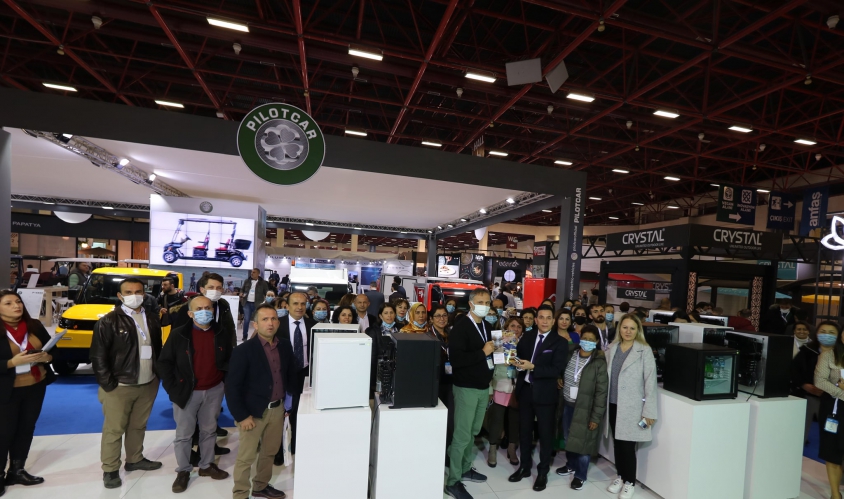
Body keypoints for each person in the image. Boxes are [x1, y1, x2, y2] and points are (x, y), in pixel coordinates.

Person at [91, 278, 163, 489]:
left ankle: (135, 459)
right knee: (114, 430)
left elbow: (156, 348)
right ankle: (110, 469)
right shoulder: (108, 322)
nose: (134, 296)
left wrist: (157, 376)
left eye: (138, 291)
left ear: (144, 293)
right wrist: (108, 384)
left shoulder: (152, 318)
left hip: (148, 382)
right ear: (120, 296)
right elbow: (98, 356)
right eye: (129, 292)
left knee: (138, 425)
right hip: (120, 386)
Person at [157, 296, 231, 492]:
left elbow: (228, 359)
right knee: (184, 434)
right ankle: (183, 470)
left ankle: (206, 465)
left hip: (214, 390)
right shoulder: (179, 334)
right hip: (187, 391)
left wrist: (224, 383)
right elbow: (164, 363)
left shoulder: (221, 332)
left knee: (209, 430)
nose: (204, 311)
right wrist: (173, 389)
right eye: (199, 309)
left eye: (208, 307)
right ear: (190, 313)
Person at [227, 304, 296, 499]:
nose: (270, 323)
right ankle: (240, 493)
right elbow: (232, 387)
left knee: (269, 452)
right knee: (246, 456)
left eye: (273, 319)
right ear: (255, 324)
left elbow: (288, 375)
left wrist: (288, 404)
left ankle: (260, 486)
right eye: (265, 319)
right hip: (253, 412)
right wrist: (242, 416)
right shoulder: (244, 350)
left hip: (278, 409)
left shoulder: (284, 345)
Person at [508, 304, 569, 491]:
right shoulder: (527, 336)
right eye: (541, 317)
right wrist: (513, 359)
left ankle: (542, 472)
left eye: (548, 318)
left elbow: (556, 370)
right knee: (525, 432)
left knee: (545, 434)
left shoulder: (560, 342)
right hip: (525, 391)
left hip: (545, 394)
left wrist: (532, 367)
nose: (544, 321)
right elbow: (518, 358)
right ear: (535, 320)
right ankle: (525, 467)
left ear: (553, 320)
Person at [0, 291, 56, 494]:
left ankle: (17, 470)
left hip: (35, 385)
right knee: (4, 432)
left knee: (26, 429)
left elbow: (54, 351)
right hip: (6, 390)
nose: (16, 306)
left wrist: (47, 357)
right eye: (8, 303)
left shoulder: (35, 326)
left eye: (18, 301)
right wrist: (11, 362)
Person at [444, 288, 495, 499]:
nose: (485, 306)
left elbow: (490, 355)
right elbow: (457, 360)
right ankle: (453, 481)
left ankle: (465, 468)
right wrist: (483, 352)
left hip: (483, 387)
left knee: (473, 432)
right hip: (466, 388)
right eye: (481, 302)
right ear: (472, 304)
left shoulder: (487, 326)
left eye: (488, 302)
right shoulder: (461, 327)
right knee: (462, 436)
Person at [604, 313, 658, 499]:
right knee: (617, 444)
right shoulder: (612, 348)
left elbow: (650, 383)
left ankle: (630, 482)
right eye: (625, 327)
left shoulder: (644, 350)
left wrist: (649, 411)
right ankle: (620, 476)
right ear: (619, 328)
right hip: (613, 404)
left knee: (628, 447)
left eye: (632, 328)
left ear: (638, 331)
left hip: (632, 407)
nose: (628, 331)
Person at [555, 325, 608, 490]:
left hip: (586, 409)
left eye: (591, 340)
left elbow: (601, 392)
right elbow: (561, 370)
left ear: (597, 342)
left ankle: (580, 475)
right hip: (567, 404)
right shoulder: (571, 353)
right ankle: (571, 465)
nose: (587, 342)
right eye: (585, 338)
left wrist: (596, 417)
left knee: (584, 443)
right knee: (569, 437)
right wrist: (559, 378)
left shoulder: (598, 362)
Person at [274, 292, 315, 465]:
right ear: (288, 306)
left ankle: (296, 444)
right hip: (281, 375)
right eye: (296, 303)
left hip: (304, 374)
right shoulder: (277, 324)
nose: (299, 307)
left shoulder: (313, 325)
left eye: (303, 304)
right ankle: (277, 450)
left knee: (300, 410)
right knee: (280, 413)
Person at [486, 317, 523, 468]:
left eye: (519, 327)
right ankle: (492, 449)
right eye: (512, 325)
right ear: (506, 327)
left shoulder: (525, 343)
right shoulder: (498, 339)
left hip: (517, 387)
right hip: (500, 383)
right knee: (497, 418)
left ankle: (511, 448)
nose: (515, 329)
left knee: (514, 420)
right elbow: (490, 363)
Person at [813, 321, 844, 499]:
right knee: (832, 451)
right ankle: (835, 494)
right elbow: (819, 380)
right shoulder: (829, 355)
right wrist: (841, 391)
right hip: (834, 407)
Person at [174, 273, 237, 347]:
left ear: (222, 290)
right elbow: (177, 334)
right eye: (211, 287)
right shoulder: (188, 307)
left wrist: (233, 347)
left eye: (219, 288)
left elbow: (230, 328)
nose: (215, 291)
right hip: (193, 347)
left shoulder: (224, 305)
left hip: (217, 346)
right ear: (202, 289)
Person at [792, 321, 826, 444]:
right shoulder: (808, 350)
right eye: (823, 332)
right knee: (802, 425)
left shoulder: (839, 352)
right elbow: (794, 369)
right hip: (808, 393)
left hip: (832, 396)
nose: (827, 335)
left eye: (831, 333)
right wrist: (803, 384)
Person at [428, 305, 455, 456]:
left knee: (450, 420)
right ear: (431, 319)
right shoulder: (428, 336)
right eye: (438, 316)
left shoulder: (452, 334)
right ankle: (435, 453)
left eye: (444, 315)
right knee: (436, 419)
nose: (442, 319)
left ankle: (445, 452)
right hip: (435, 383)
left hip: (451, 382)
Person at [240, 269, 269, 341]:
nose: (252, 273)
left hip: (258, 303)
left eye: (254, 272)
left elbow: (266, 292)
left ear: (258, 273)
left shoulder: (263, 283)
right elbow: (242, 289)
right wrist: (241, 293)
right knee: (246, 320)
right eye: (251, 272)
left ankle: (258, 336)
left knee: (258, 320)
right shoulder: (247, 281)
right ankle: (245, 336)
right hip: (247, 302)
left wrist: (267, 300)